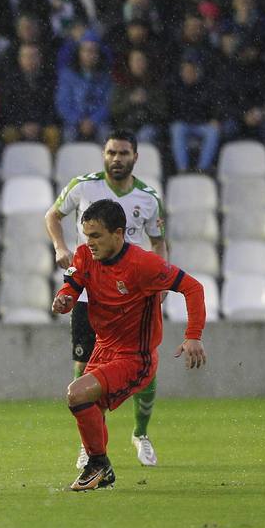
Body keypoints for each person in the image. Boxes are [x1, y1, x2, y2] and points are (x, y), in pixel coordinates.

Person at [53, 198, 206, 491]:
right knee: (86, 405)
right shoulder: (85, 255)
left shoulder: (143, 264)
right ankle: (101, 468)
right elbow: (73, 285)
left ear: (118, 233)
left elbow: (192, 287)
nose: (90, 243)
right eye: (87, 236)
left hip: (135, 356)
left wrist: (193, 335)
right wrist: (65, 298)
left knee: (76, 393)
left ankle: (99, 463)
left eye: (96, 236)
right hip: (103, 347)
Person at [46, 131, 167, 470]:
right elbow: (52, 215)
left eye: (123, 153)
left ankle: (141, 433)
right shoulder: (83, 186)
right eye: (111, 152)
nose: (117, 158)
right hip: (90, 292)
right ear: (103, 155)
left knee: (144, 359)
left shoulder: (148, 198)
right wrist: (60, 248)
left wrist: (158, 286)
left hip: (135, 296)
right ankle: (90, 446)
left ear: (135, 157)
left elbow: (158, 243)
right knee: (85, 367)